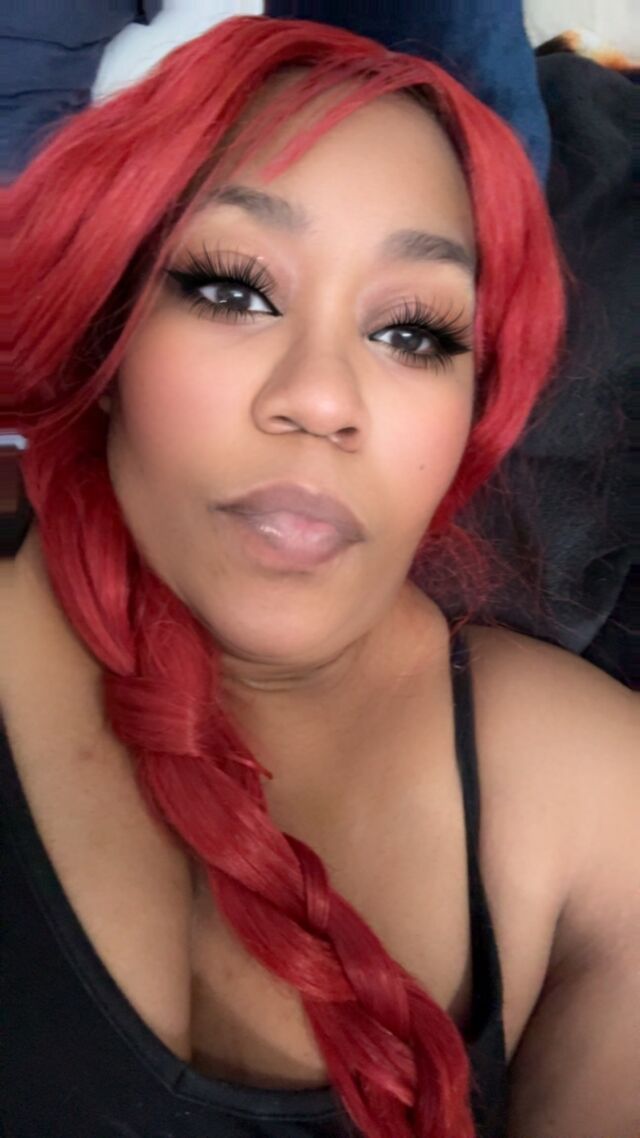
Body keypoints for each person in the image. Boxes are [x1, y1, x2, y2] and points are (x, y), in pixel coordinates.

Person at [2, 14, 638, 1138]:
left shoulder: (597, 797)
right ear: (109, 332)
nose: (324, 398)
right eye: (233, 290)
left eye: (414, 334)